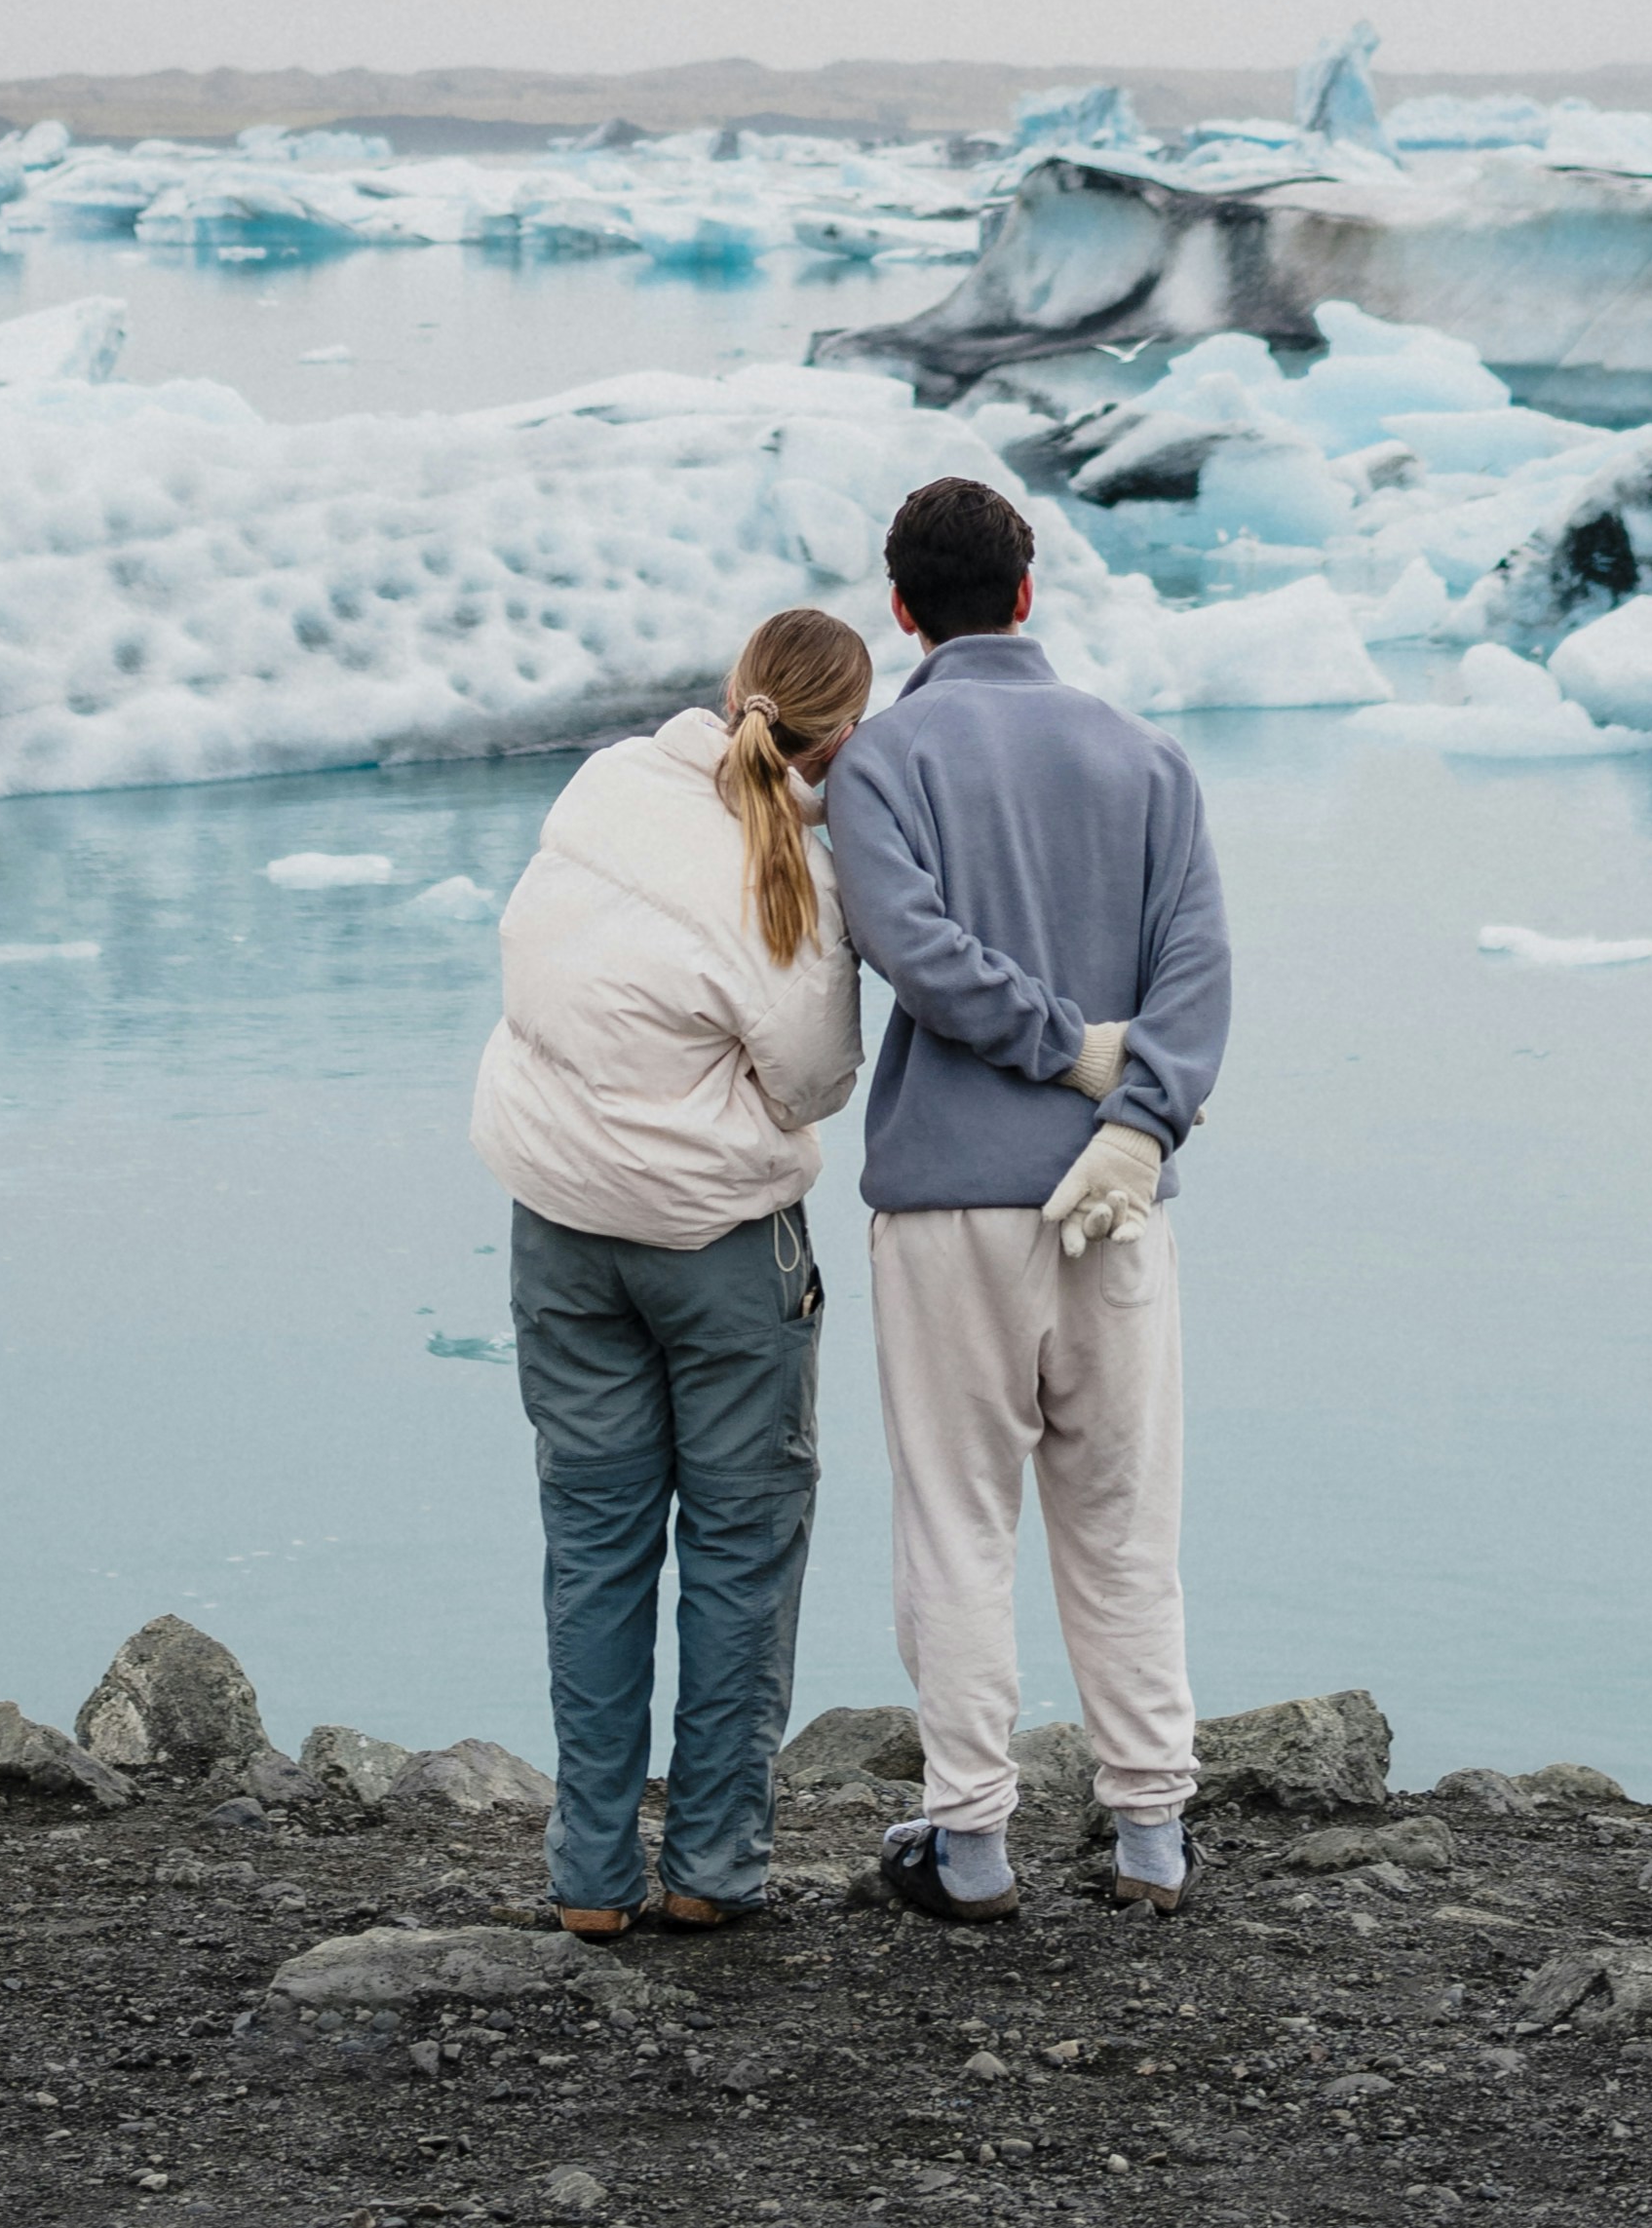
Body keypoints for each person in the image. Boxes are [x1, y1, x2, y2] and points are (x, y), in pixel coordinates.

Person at [823, 467, 1231, 1919]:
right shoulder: (1148, 758)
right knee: (1124, 1520)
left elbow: (910, 947)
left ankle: (975, 1842)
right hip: (1116, 1203)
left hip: (948, 1210)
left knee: (957, 1520)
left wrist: (1055, 1048)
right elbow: (1197, 971)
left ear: (899, 611)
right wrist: (1136, 1117)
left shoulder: (878, 763)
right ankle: (1149, 1836)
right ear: (1027, 591)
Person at [472, 599, 874, 1936]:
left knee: (591, 1542)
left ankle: (589, 1875)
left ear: (732, 689)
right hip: (717, 1252)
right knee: (742, 1543)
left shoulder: (604, 786)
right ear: (840, 745)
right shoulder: (794, 880)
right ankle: (712, 1864)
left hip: (560, 1228)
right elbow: (812, 1082)